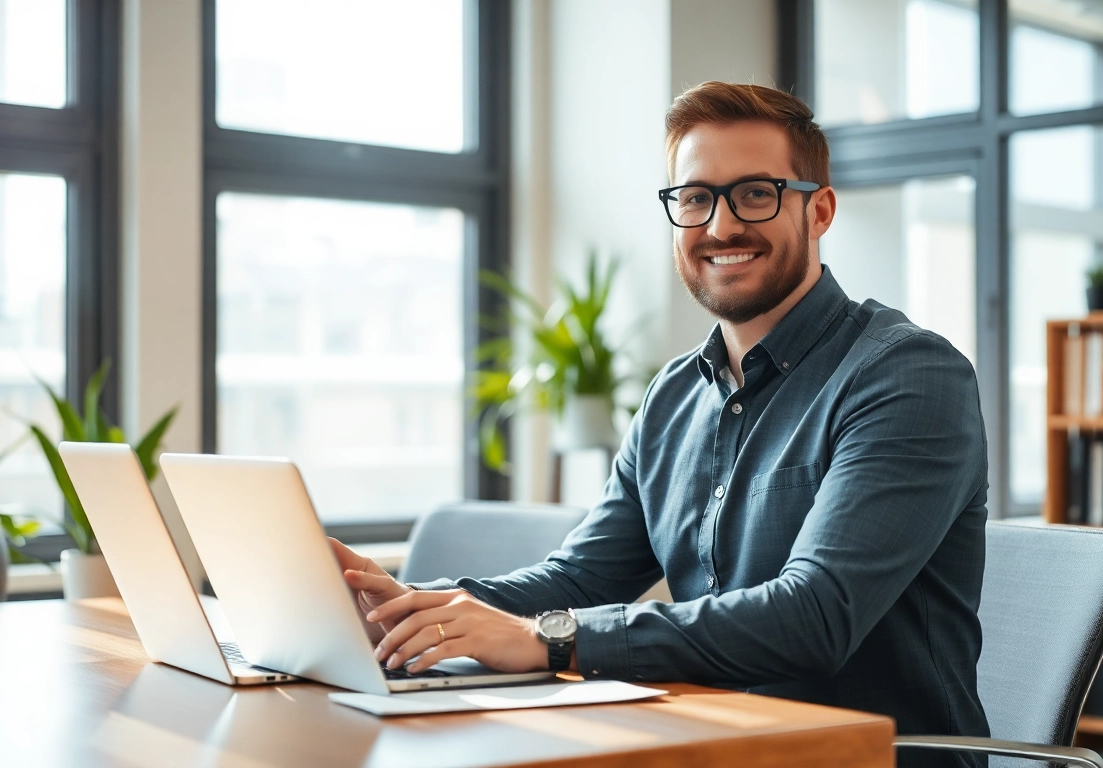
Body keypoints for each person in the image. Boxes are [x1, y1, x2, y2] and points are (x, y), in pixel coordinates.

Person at [332, 81, 989, 766]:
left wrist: (550, 639)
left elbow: (813, 617)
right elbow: (584, 577)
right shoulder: (676, 393)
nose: (720, 226)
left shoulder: (908, 375)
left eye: (756, 193)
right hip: (710, 741)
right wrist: (406, 606)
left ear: (818, 210)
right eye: (696, 197)